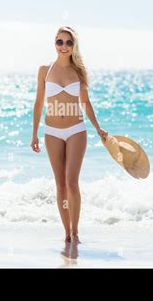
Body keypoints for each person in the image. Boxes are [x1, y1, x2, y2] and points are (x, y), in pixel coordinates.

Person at [30, 26, 108, 244]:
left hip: (76, 130)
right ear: (54, 43)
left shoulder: (79, 72)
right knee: (60, 185)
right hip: (52, 131)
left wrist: (98, 128)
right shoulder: (44, 70)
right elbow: (38, 104)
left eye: (68, 42)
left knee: (72, 182)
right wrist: (34, 133)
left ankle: (76, 232)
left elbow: (85, 103)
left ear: (74, 46)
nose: (63, 46)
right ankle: (66, 233)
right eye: (59, 42)